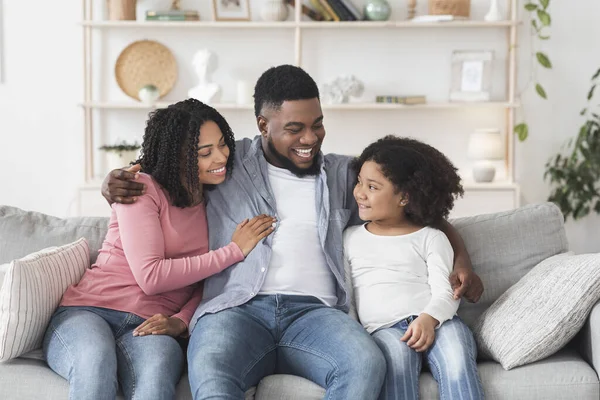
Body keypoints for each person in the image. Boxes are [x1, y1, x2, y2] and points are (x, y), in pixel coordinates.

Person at [102, 65, 484, 399]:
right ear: (263, 125)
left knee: (365, 363)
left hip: (316, 312)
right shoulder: (228, 165)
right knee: (212, 373)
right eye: (295, 128)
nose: (310, 138)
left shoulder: (345, 174)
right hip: (236, 309)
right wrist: (114, 184)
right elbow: (169, 166)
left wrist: (462, 260)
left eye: (317, 124)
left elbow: (419, 208)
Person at [44, 99, 275, 400]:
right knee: (95, 365)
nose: (221, 157)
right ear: (177, 157)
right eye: (205, 152)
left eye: (222, 144)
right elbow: (150, 276)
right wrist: (232, 251)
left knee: (154, 386)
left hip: (155, 324)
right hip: (91, 311)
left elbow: (208, 283)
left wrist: (181, 321)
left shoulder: (218, 202)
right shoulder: (139, 188)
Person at [344, 135, 484, 400]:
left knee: (456, 356)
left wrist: (428, 319)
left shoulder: (431, 237)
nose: (359, 192)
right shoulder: (349, 238)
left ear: (404, 198)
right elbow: (347, 298)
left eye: (373, 187)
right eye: (359, 182)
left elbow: (447, 294)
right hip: (383, 330)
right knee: (396, 362)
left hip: (439, 322)